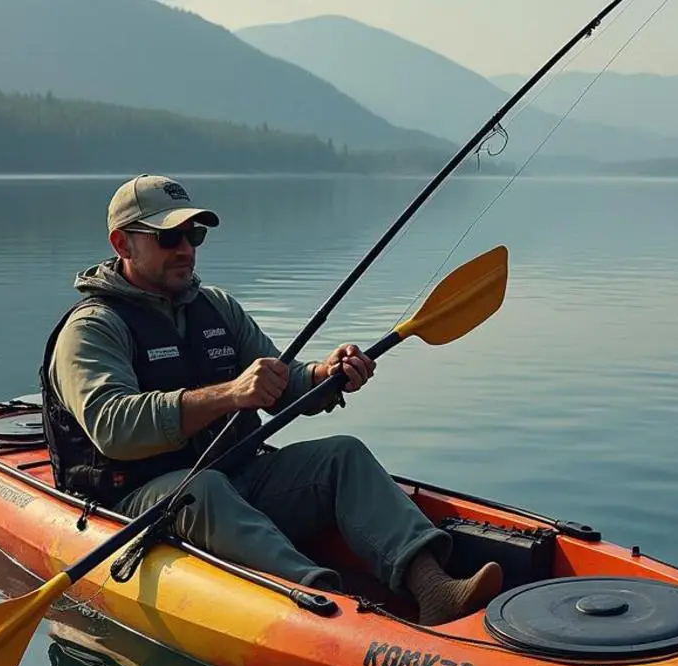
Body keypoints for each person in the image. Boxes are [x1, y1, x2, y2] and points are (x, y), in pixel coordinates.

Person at [39, 174, 503, 625]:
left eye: (193, 234)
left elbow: (281, 381)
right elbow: (115, 430)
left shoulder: (217, 307)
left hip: (233, 471)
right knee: (202, 491)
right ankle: (328, 605)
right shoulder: (93, 328)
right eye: (168, 238)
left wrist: (326, 375)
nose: (186, 248)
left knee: (341, 454)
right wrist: (229, 393)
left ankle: (434, 588)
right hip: (136, 498)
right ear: (123, 244)